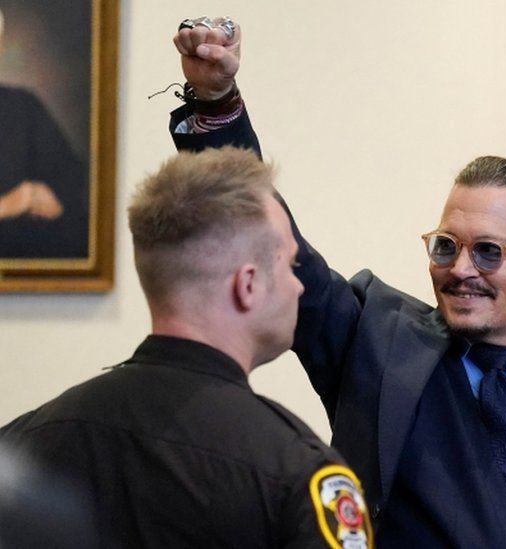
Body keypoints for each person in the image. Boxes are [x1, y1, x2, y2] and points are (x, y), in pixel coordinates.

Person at [168, 18, 506, 548]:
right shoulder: (375, 345)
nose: (460, 270)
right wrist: (216, 104)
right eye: (446, 246)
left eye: (489, 252)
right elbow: (274, 243)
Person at [0, 147, 373, 548]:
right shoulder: (297, 471)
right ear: (247, 285)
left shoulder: (23, 448)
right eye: (290, 266)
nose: (299, 286)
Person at [0, 7, 88, 258]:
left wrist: (47, 196)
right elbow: (20, 200)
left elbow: (71, 185)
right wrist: (9, 204)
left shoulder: (23, 107)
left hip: (30, 273)